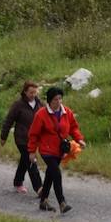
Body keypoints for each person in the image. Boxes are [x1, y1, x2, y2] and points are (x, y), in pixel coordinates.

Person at [28, 86, 86, 214]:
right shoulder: (41, 114)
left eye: (60, 99)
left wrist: (79, 139)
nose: (58, 102)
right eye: (55, 99)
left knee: (50, 175)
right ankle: (62, 203)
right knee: (56, 174)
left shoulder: (67, 112)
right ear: (49, 101)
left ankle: (43, 201)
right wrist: (32, 151)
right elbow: (34, 134)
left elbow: (73, 128)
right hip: (46, 151)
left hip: (60, 150)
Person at [0, 81, 43, 195]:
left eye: (35, 92)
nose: (33, 94)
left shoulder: (40, 104)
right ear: (25, 92)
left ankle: (18, 182)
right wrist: (3, 136)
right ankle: (39, 188)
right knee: (31, 160)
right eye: (30, 92)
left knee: (24, 160)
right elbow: (8, 120)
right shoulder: (18, 105)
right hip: (22, 138)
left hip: (35, 139)